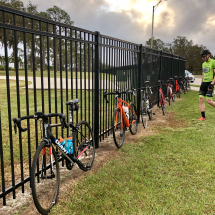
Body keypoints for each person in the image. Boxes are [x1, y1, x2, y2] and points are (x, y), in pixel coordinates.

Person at [198, 49, 215, 120]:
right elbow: (203, 74)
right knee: (201, 99)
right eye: (201, 57)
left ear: (208, 55)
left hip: (210, 83)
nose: (202, 58)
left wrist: (212, 83)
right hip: (204, 84)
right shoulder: (203, 64)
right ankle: (203, 117)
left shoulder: (213, 62)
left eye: (204, 56)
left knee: (209, 101)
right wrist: (201, 84)